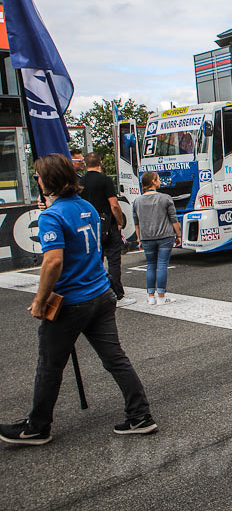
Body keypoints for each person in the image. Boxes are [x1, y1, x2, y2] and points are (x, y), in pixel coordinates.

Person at [0, 154, 157, 446]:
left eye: (38, 176)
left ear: (49, 180)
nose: (37, 180)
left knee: (49, 365)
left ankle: (37, 426)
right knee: (115, 359)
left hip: (72, 300)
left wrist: (39, 300)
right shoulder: (85, 206)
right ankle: (140, 415)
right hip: (100, 292)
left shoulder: (52, 215)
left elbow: (53, 263)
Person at [79, 152, 134, 306]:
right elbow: (114, 204)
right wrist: (119, 221)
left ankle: (97, 290)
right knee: (114, 260)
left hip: (88, 225)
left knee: (96, 260)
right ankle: (117, 292)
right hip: (107, 225)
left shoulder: (80, 181)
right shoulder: (105, 180)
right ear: (100, 163)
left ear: (85, 164)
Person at [132, 171, 181, 305]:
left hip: (146, 237)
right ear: (153, 181)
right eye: (158, 179)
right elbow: (173, 219)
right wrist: (178, 235)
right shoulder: (165, 198)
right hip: (165, 235)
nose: (160, 181)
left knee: (151, 265)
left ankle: (151, 296)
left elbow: (136, 223)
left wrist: (139, 239)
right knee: (162, 265)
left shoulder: (137, 201)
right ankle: (161, 296)